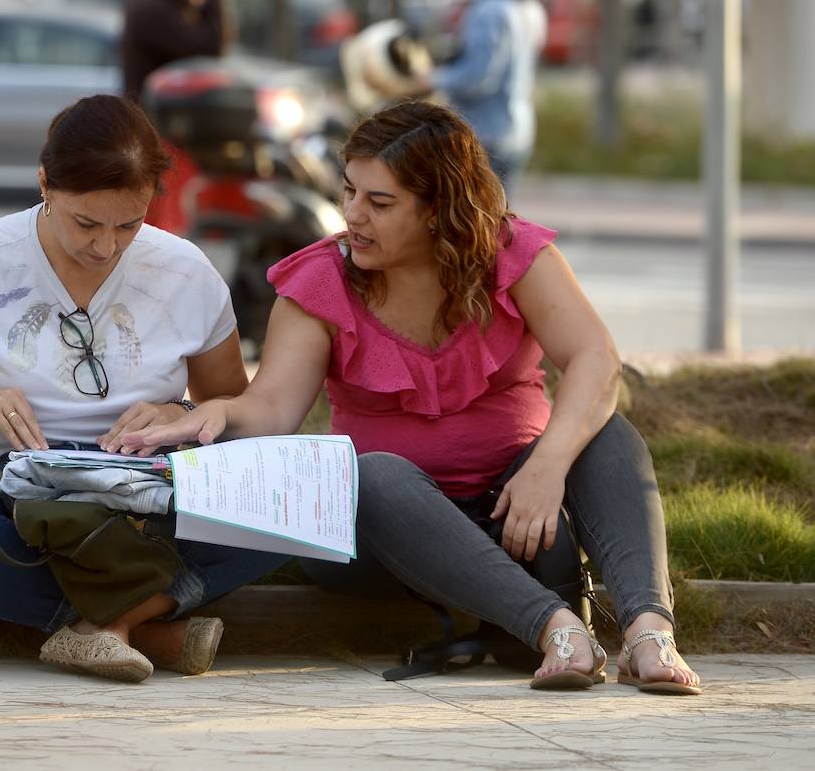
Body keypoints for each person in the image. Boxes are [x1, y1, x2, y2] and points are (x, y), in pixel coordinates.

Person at [127, 101, 703, 696]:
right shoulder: (320, 280)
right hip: (379, 536)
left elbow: (597, 360)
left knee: (607, 434)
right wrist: (211, 411)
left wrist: (547, 467)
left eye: (379, 203)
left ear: (439, 209)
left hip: (511, 512)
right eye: (349, 191)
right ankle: (557, 628)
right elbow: (271, 407)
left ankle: (648, 631)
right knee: (370, 474)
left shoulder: (513, 253)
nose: (352, 215)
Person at [0, 95, 288, 683]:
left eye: (130, 224)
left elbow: (232, 410)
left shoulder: (187, 270)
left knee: (297, 497)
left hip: (145, 488)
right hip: (13, 486)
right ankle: (145, 621)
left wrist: (180, 411)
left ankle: (104, 628)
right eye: (86, 222)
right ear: (44, 184)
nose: (106, 247)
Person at [420, 0, 545, 198]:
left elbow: (477, 77)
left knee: (474, 228)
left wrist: (431, 78)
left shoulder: (489, 8)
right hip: (518, 129)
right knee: (499, 221)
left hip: (484, 133)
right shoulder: (530, 7)